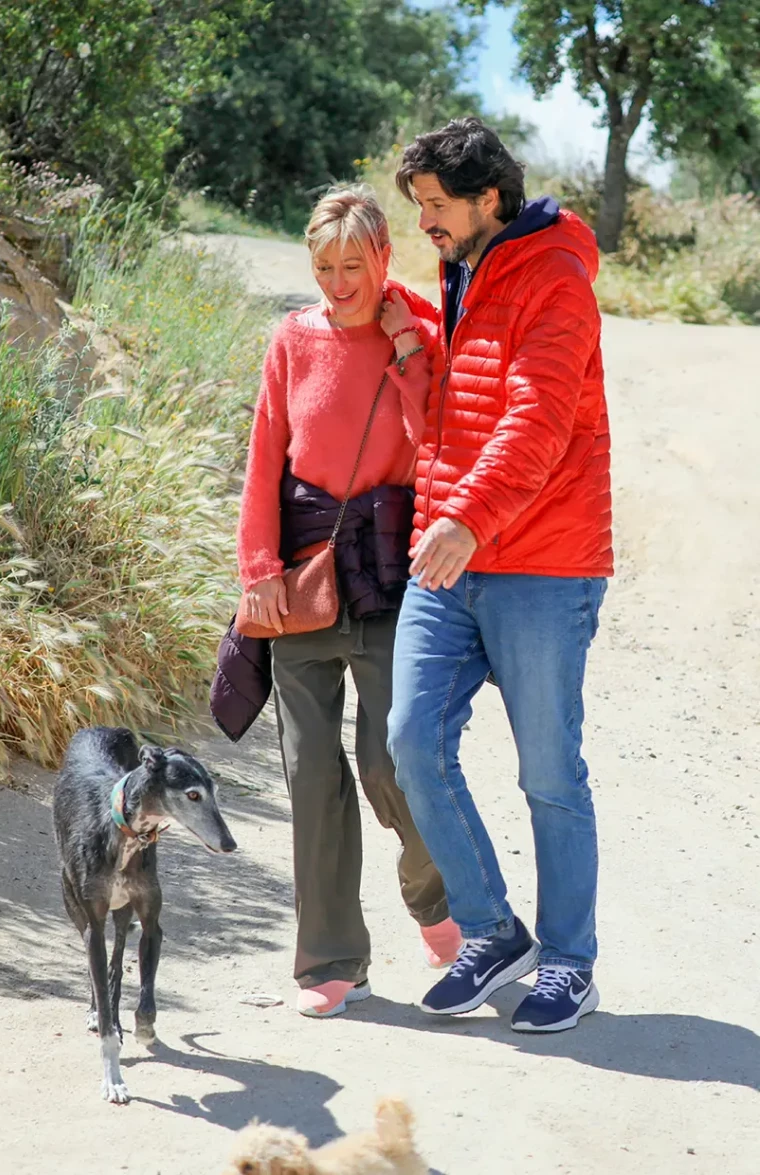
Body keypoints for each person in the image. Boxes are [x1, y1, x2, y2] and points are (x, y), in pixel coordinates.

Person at [386, 118, 613, 1033]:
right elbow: (469, 393)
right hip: (453, 556)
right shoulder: (464, 267)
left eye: (438, 208)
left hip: (543, 565)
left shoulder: (554, 276)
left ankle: (570, 961)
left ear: (490, 199)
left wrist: (466, 517)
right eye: (421, 210)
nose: (428, 225)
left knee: (549, 771)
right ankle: (491, 930)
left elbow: (538, 419)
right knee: (410, 738)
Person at [236, 185, 461, 1018]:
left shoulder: (422, 337)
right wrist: (256, 565)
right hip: (298, 578)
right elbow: (266, 456)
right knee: (312, 772)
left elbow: (433, 437)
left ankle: (433, 895)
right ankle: (332, 959)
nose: (337, 282)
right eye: (323, 266)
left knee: (392, 758)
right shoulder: (292, 338)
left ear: (382, 259)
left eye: (352, 265)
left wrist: (406, 352)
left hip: (389, 579)